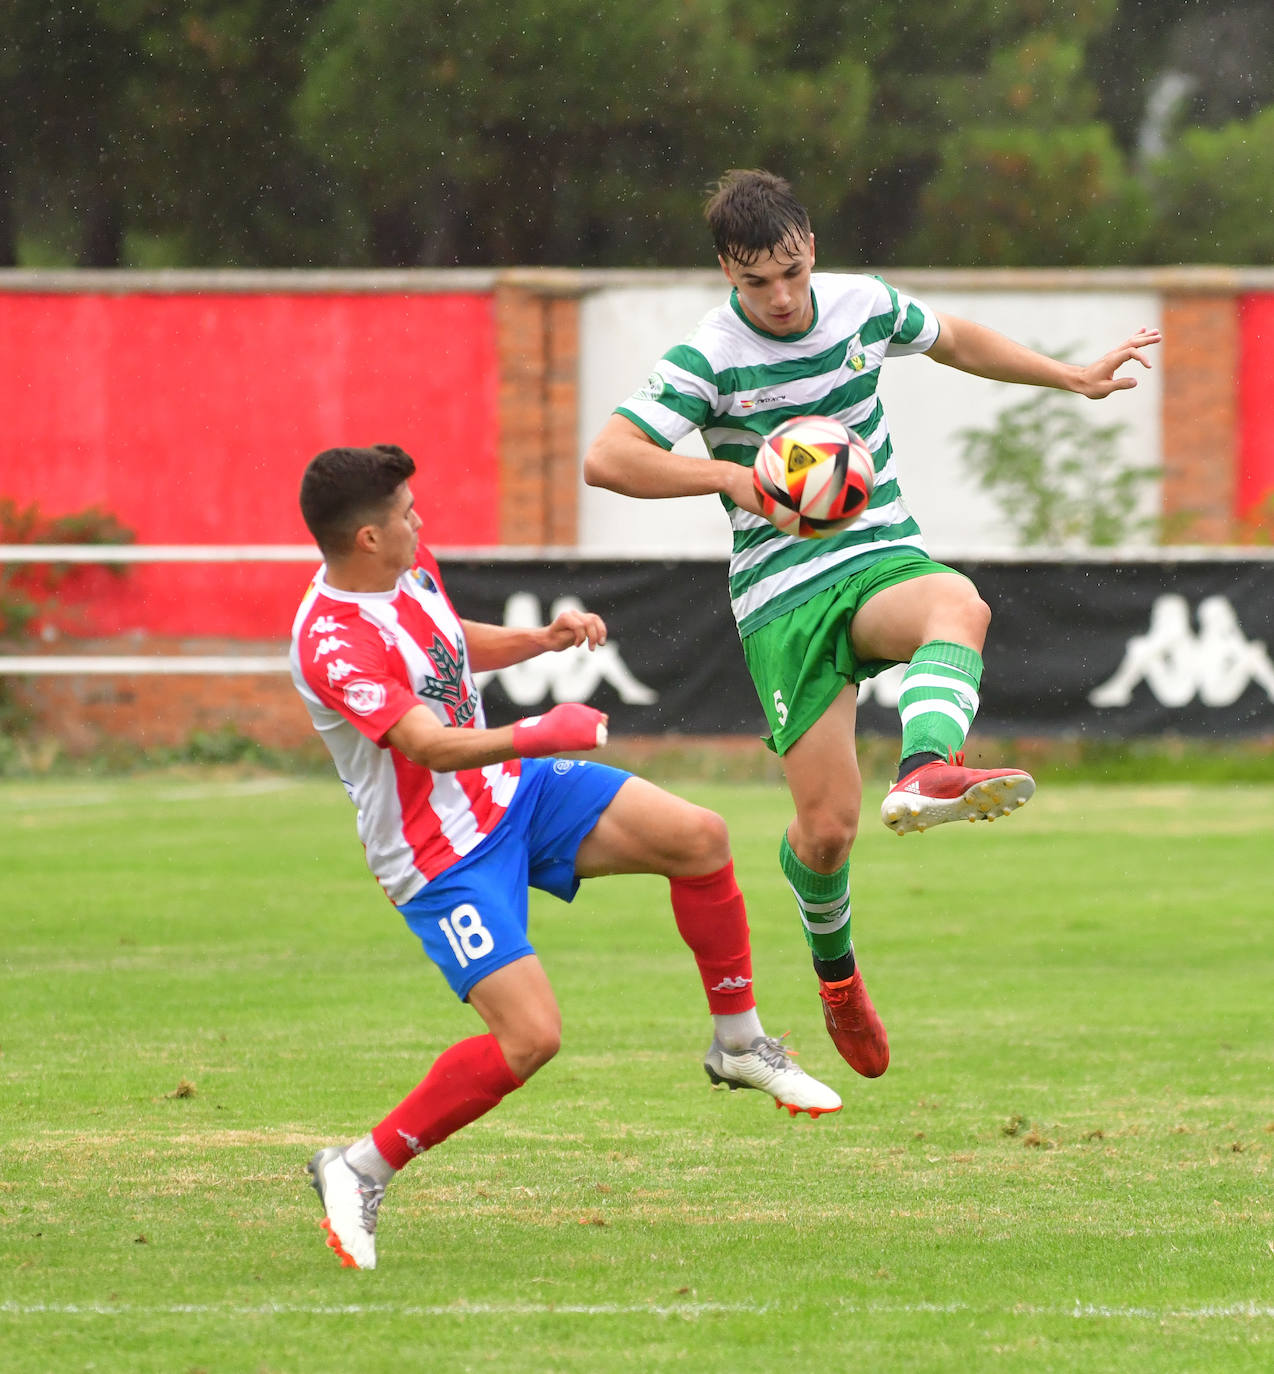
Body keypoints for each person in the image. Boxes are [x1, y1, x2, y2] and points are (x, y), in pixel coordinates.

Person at [583, 168, 1162, 1083]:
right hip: (782, 597)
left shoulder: (860, 306)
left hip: (878, 554)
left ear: (810, 246)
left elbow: (955, 339)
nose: (777, 298)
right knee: (826, 832)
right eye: (753, 283)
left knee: (957, 602)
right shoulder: (708, 357)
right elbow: (608, 457)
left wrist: (1069, 377)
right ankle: (838, 977)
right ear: (726, 277)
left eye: (789, 273)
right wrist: (734, 479)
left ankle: (928, 766)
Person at [291, 443, 841, 1271]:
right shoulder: (330, 641)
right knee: (530, 1040)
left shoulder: (405, 566)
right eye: (407, 512)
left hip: (516, 796)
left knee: (699, 839)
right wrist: (540, 730)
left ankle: (738, 1043)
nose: (420, 519)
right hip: (441, 857)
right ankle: (360, 1167)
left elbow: (446, 643)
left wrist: (540, 641)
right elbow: (428, 744)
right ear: (367, 538)